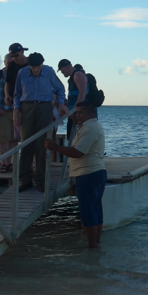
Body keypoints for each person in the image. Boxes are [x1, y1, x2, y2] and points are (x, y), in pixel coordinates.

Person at [44, 101, 106, 248]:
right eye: (76, 113)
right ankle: (96, 243)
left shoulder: (90, 128)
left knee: (88, 211)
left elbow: (78, 152)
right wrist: (72, 116)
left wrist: (55, 147)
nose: (78, 116)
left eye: (81, 113)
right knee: (95, 209)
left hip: (89, 173)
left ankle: (92, 246)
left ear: (90, 113)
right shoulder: (87, 126)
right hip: (94, 172)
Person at [13, 52, 69, 192]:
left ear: (42, 64)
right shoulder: (22, 72)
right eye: (33, 67)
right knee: (26, 143)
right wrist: (16, 110)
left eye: (38, 67)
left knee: (42, 144)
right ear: (29, 65)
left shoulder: (49, 71)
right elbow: (17, 93)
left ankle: (41, 179)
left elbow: (60, 89)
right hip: (26, 108)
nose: (36, 70)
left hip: (44, 107)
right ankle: (25, 179)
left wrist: (61, 103)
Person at [57, 59, 88, 139]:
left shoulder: (78, 75)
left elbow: (82, 93)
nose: (62, 73)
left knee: (80, 138)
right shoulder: (72, 78)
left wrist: (75, 110)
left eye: (61, 70)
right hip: (74, 113)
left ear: (64, 68)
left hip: (81, 113)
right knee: (71, 136)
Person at [4, 43, 30, 109]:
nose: (14, 58)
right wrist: (7, 95)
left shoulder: (32, 63)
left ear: (22, 52)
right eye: (12, 56)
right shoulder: (11, 66)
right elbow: (8, 83)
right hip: (18, 100)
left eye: (16, 55)